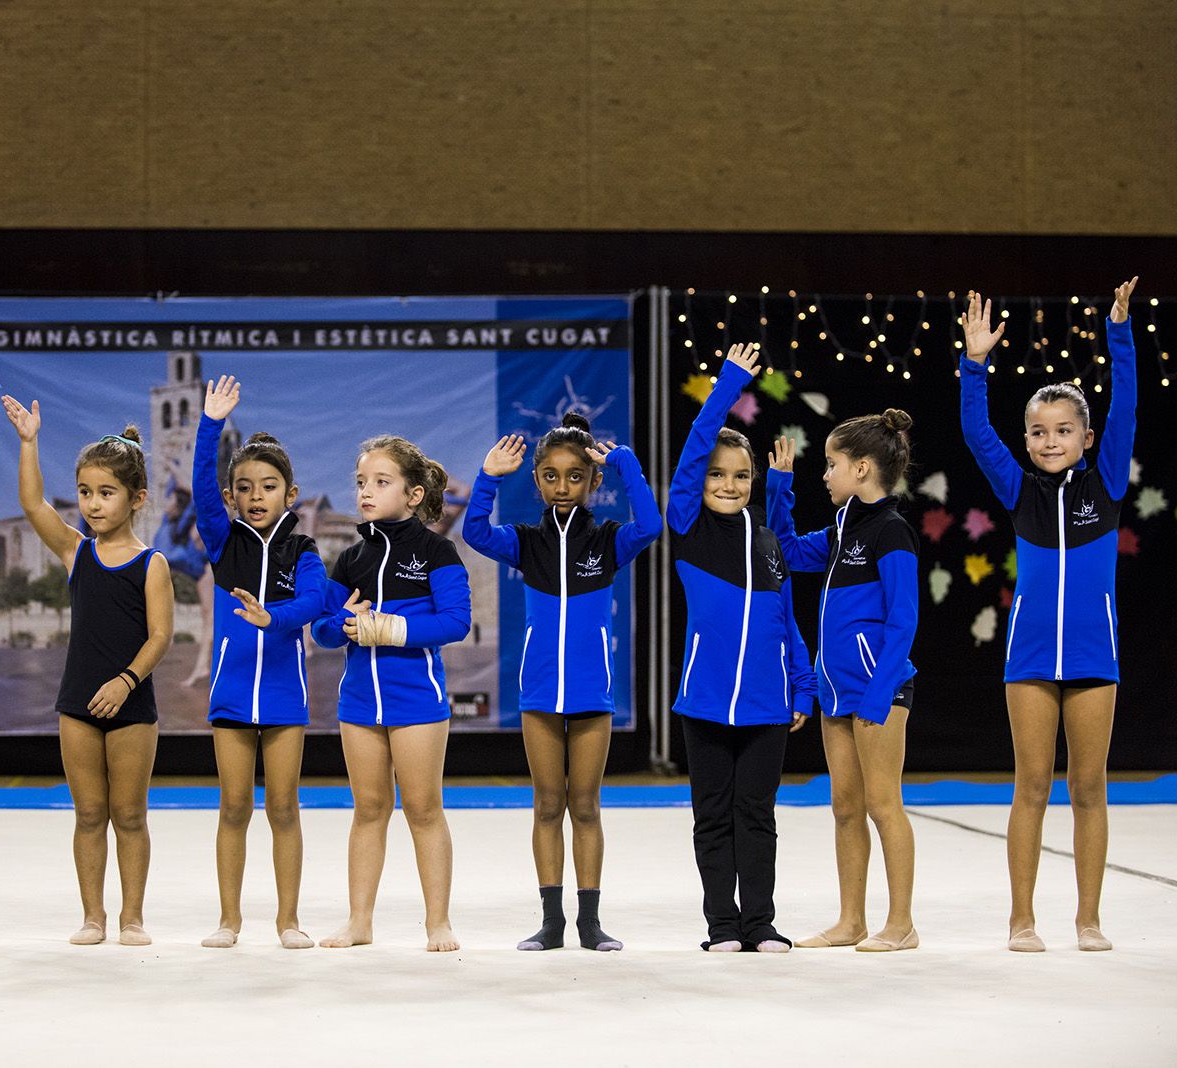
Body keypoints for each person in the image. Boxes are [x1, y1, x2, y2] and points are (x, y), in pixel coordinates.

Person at [958, 279, 1139, 953]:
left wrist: (1119, 332)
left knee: (1088, 787)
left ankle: (1088, 919)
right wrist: (973, 364)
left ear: (1088, 438)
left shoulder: (1107, 481)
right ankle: (1021, 919)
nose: (1050, 439)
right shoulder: (1019, 489)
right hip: (1030, 657)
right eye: (1038, 431)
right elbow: (977, 432)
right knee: (1031, 785)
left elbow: (1127, 407)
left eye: (1064, 430)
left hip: (1094, 655)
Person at [463, 413, 660, 951]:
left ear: (594, 483)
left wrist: (625, 465)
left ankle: (590, 924)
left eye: (576, 476)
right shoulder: (526, 543)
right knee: (548, 805)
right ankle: (552, 923)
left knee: (587, 806)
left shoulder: (610, 540)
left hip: (592, 696)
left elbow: (651, 526)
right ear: (537, 481)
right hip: (539, 697)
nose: (563, 486)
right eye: (551, 476)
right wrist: (488, 477)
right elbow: (474, 531)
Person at [1, 397, 173, 947]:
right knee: (89, 813)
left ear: (136, 498)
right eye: (85, 493)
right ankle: (93, 915)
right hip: (77, 702)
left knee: (129, 814)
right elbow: (31, 503)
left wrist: (126, 681)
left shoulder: (152, 564)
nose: (93, 505)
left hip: (131, 707)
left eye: (106, 493)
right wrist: (28, 443)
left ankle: (133, 916)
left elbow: (161, 635)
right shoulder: (77, 552)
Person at [667, 343, 816, 952]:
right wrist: (728, 384)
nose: (727, 484)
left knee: (758, 816)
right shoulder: (689, 526)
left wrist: (801, 684)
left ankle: (760, 923)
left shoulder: (769, 539)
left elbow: (787, 619)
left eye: (740, 476)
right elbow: (695, 446)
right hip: (703, 702)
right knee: (712, 816)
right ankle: (722, 926)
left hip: (767, 705)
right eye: (717, 474)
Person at [766, 411, 920, 952]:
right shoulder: (840, 531)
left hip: (878, 693)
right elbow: (782, 550)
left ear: (861, 468)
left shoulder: (891, 531)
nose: (824, 475)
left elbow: (904, 620)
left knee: (883, 805)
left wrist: (878, 694)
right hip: (837, 694)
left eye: (831, 465)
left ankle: (901, 925)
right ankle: (851, 920)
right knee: (846, 807)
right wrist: (779, 487)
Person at [311, 436, 471, 952]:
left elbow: (456, 622)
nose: (366, 491)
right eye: (361, 482)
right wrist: (346, 621)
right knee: (368, 810)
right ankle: (359, 922)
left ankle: (438, 923)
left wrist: (392, 629)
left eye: (381, 482)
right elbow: (324, 632)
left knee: (423, 810)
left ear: (413, 494)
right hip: (358, 703)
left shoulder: (436, 551)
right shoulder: (351, 558)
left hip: (417, 703)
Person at [191, 375, 326, 950]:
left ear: (289, 495)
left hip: (283, 699)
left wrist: (276, 617)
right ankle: (229, 920)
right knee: (233, 806)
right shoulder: (224, 544)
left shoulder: (304, 550)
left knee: (284, 808)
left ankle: (288, 920)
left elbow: (317, 602)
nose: (256, 496)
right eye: (244, 487)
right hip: (231, 695)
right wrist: (211, 425)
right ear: (232, 497)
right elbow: (200, 487)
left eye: (268, 486)